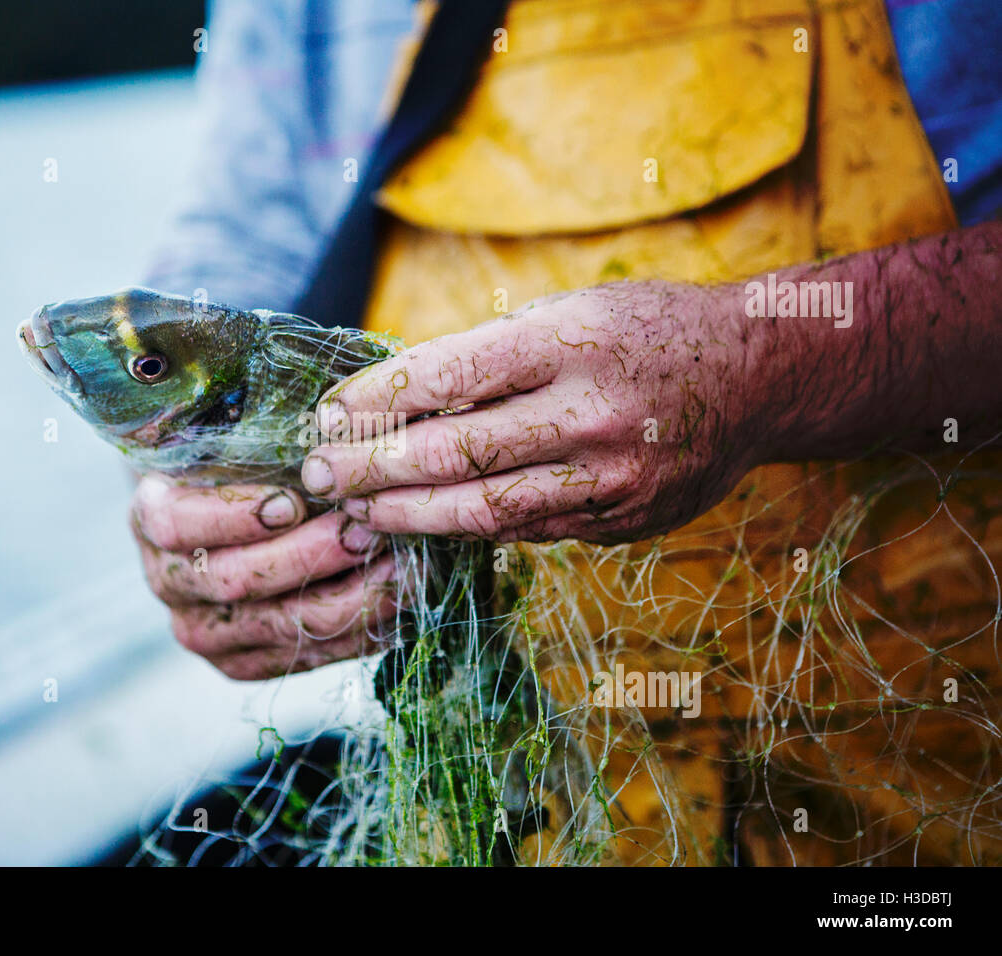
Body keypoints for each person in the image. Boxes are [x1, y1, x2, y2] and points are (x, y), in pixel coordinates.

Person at [131, 0, 1002, 864]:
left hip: (931, 779)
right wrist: (198, 506)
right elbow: (232, 262)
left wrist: (770, 361)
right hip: (516, 788)